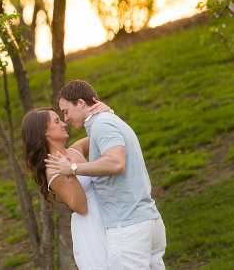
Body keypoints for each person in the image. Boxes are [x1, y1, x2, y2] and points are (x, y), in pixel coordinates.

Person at [45, 80, 166, 270]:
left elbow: (116, 162)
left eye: (66, 112)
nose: (65, 119)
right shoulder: (105, 124)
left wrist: (73, 169)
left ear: (81, 103)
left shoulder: (103, 124)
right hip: (136, 220)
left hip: (128, 225)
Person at [22, 102, 110, 270]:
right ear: (44, 132)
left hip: (106, 213)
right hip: (92, 224)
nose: (63, 123)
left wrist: (106, 113)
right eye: (56, 121)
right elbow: (81, 208)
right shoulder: (52, 170)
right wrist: (71, 175)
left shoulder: (76, 150)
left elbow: (106, 133)